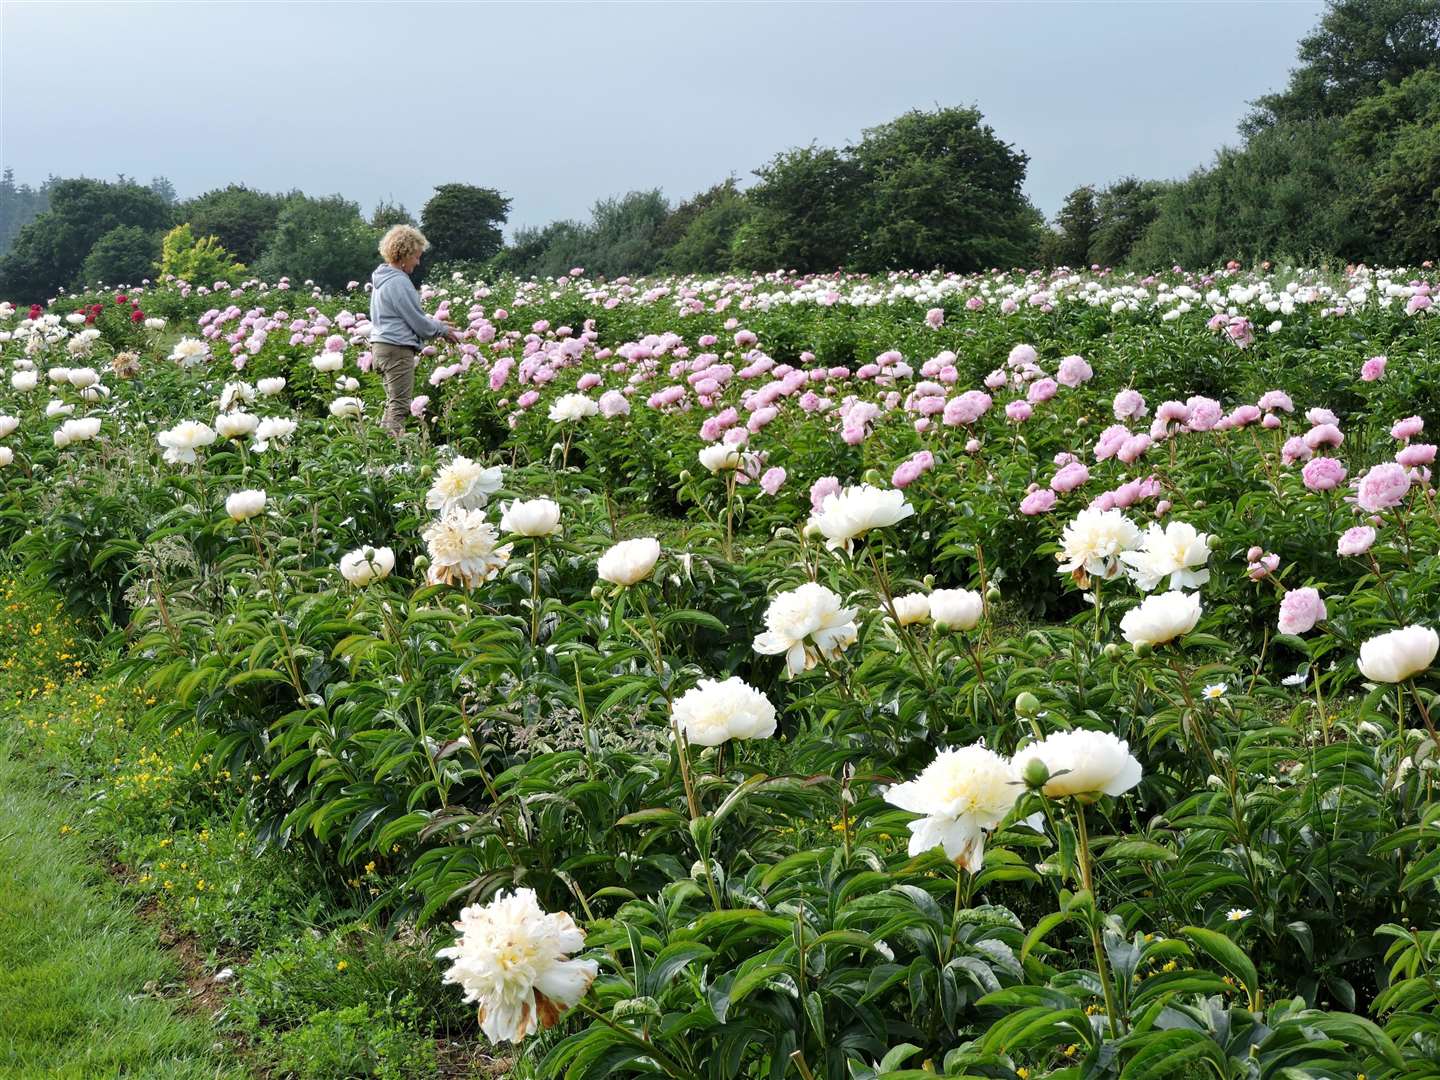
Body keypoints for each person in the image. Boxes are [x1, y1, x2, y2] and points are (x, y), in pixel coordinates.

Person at [369, 225, 457, 433]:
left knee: (393, 403)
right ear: (404, 254)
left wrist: (436, 325)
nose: (418, 262)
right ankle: (393, 453)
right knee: (399, 407)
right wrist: (441, 329)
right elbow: (416, 321)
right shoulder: (398, 281)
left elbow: (403, 316)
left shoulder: (383, 280)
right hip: (396, 349)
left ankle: (379, 447)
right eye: (416, 257)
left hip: (381, 347)